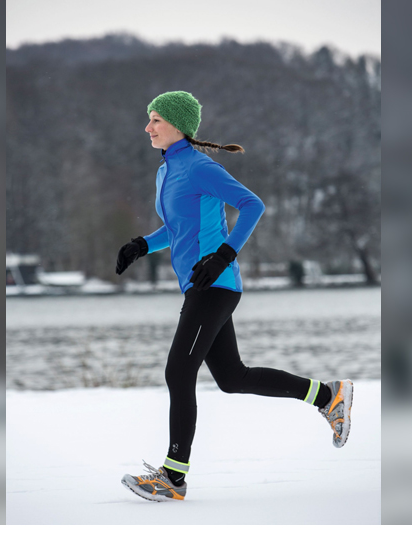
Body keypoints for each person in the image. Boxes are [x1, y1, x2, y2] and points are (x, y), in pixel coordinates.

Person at [116, 91, 353, 502]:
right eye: (149, 119)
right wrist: (142, 245)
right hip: (200, 286)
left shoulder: (198, 166)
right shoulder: (167, 171)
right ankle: (328, 396)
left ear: (178, 125)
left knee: (178, 371)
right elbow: (178, 229)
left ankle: (173, 477)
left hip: (215, 286)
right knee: (232, 378)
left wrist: (224, 254)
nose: (148, 127)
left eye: (155, 119)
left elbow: (252, 204)